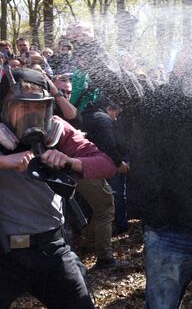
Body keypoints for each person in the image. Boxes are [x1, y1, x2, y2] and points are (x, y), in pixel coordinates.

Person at [65, 23, 192, 308]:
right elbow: (115, 79)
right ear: (178, 72)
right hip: (169, 234)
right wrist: (89, 46)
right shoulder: (155, 101)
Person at [0, 67, 116, 308]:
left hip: (50, 250)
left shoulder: (57, 129)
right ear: (5, 108)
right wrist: (3, 161)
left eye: (39, 107)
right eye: (23, 107)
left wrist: (70, 161)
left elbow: (106, 164)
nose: (32, 115)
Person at [79, 97, 129, 269]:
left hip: (80, 167)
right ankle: (105, 258)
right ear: (109, 108)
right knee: (106, 209)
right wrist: (118, 163)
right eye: (116, 114)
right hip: (90, 169)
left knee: (98, 206)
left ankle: (90, 243)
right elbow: (108, 144)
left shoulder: (87, 115)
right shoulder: (103, 119)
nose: (115, 118)